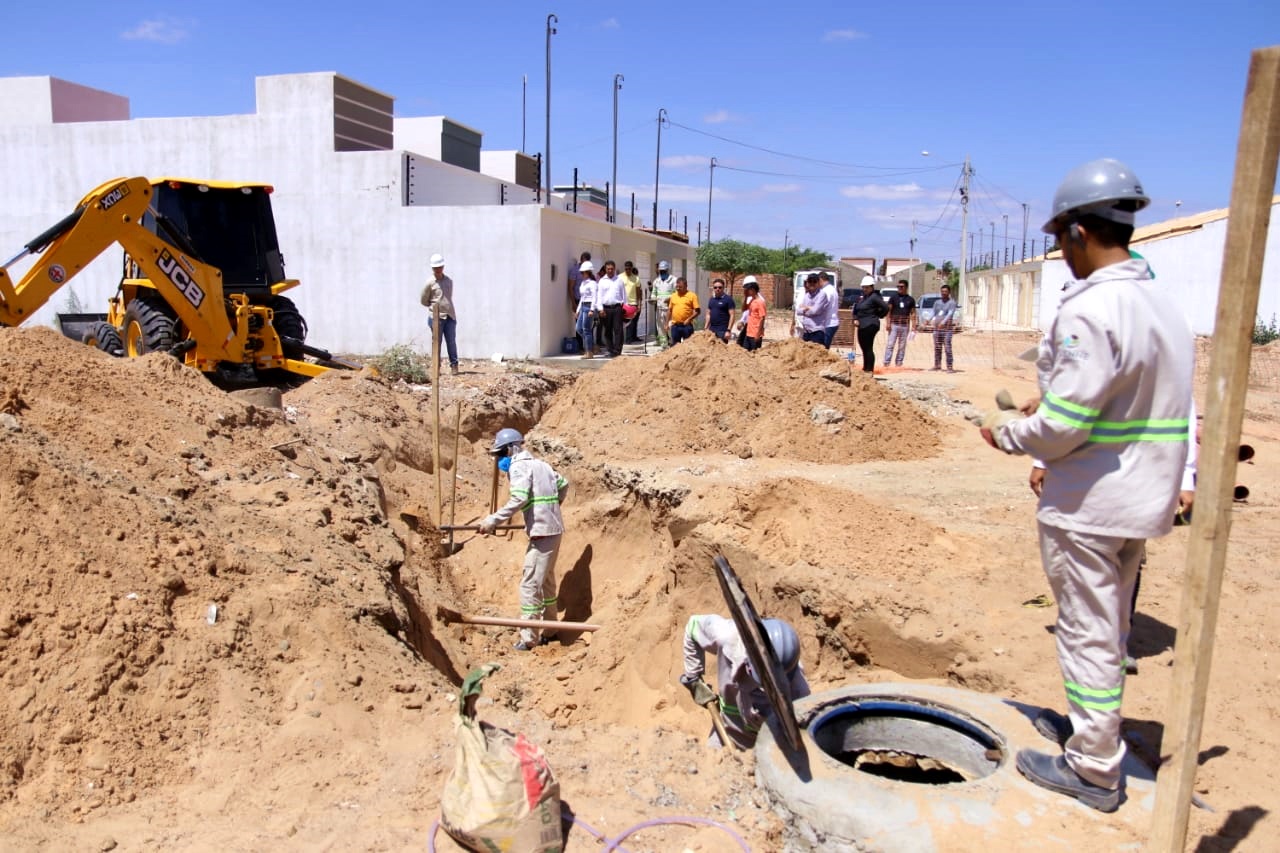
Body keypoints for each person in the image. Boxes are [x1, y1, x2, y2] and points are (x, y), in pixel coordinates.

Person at [978, 158, 1193, 812]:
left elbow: (1065, 424)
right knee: (1112, 626)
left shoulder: (1092, 310)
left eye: (1061, 241)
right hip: (1140, 499)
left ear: (1077, 231)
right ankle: (1098, 734)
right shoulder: (1160, 302)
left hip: (1092, 505)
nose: (1061, 255)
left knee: (1087, 633)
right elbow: (1158, 405)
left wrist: (1007, 435)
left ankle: (1095, 767)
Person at [478, 428, 570, 651]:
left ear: (512, 448)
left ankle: (529, 638)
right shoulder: (542, 465)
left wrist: (493, 520)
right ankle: (550, 630)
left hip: (542, 532)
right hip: (554, 530)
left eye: (501, 454)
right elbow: (563, 484)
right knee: (546, 582)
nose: (500, 460)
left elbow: (518, 498)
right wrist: (552, 508)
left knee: (529, 584)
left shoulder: (519, 466)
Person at [680, 615, 810, 749]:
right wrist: (694, 678)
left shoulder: (799, 693)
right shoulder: (728, 637)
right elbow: (693, 626)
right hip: (726, 733)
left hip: (769, 747)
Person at [420, 253, 459, 375]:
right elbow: (424, 300)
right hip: (436, 318)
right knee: (437, 342)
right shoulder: (430, 283)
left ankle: (454, 366)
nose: (438, 270)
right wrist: (433, 307)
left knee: (451, 342)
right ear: (432, 269)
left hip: (449, 316)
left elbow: (447, 297)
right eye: (435, 268)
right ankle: (436, 368)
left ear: (443, 267)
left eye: (440, 267)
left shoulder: (448, 281)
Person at [851, 275, 888, 374]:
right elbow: (856, 309)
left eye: (866, 287)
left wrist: (879, 315)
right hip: (862, 325)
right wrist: (855, 318)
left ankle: (869, 369)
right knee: (863, 347)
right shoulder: (864, 298)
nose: (864, 289)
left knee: (868, 347)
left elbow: (885, 307)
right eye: (863, 287)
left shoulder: (874, 297)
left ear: (872, 287)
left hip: (870, 325)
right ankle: (865, 368)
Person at [595, 260, 626, 357]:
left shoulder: (619, 280)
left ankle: (617, 351)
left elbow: (624, 296)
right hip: (606, 309)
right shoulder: (601, 281)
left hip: (617, 308)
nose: (610, 271)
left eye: (612, 269)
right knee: (607, 331)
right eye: (608, 269)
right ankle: (611, 350)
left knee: (618, 330)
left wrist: (624, 308)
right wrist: (600, 309)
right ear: (605, 269)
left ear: (614, 269)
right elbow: (599, 296)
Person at [883, 280, 916, 367]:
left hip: (905, 325)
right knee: (890, 344)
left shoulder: (910, 299)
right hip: (894, 324)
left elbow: (913, 313)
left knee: (902, 346)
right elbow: (888, 311)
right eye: (898, 286)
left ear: (906, 287)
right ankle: (886, 362)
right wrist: (888, 323)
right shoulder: (893, 298)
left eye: (902, 286)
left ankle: (899, 363)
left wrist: (914, 326)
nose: (900, 288)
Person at [733, 277, 767, 350]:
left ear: (752, 289)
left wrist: (758, 334)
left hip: (755, 334)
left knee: (754, 354)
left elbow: (762, 318)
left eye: (747, 290)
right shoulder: (752, 300)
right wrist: (745, 297)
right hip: (748, 333)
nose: (746, 292)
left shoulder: (760, 302)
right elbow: (744, 309)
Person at [930, 284, 958, 372]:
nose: (944, 293)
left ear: (949, 292)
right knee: (937, 347)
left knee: (947, 348)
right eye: (942, 291)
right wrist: (928, 319)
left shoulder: (952, 303)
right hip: (937, 329)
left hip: (947, 329)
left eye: (945, 291)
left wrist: (943, 322)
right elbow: (933, 312)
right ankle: (937, 365)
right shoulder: (937, 302)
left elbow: (950, 313)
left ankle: (949, 366)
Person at [574, 261, 597, 359]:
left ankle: (589, 352)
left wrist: (592, 309)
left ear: (588, 272)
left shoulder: (593, 283)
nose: (581, 274)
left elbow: (594, 297)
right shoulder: (583, 283)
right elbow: (582, 297)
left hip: (589, 306)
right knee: (579, 328)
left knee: (586, 329)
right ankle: (592, 345)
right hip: (583, 305)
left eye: (583, 272)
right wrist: (578, 310)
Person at [796, 273, 827, 345]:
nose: (812, 283)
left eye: (814, 281)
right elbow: (798, 311)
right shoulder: (806, 296)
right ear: (807, 283)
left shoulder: (822, 294)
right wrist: (807, 309)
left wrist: (805, 308)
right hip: (806, 331)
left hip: (817, 331)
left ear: (818, 283)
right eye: (810, 281)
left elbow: (815, 311)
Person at [667, 277, 700, 345]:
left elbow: (698, 311)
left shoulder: (692, 296)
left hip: (687, 326)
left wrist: (689, 319)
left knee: (688, 346)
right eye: (677, 286)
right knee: (675, 346)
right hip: (675, 326)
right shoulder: (673, 296)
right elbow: (669, 310)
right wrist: (666, 323)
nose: (678, 288)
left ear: (686, 286)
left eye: (680, 287)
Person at [652, 260, 676, 348]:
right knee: (660, 328)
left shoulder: (673, 280)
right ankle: (664, 345)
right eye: (661, 271)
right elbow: (654, 292)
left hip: (670, 309)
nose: (662, 272)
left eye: (664, 271)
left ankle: (673, 343)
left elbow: (677, 293)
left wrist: (670, 298)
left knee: (670, 326)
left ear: (667, 270)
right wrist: (653, 298)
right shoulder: (656, 281)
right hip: (659, 308)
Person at [706, 278, 736, 342]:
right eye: (715, 287)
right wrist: (706, 327)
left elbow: (732, 315)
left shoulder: (728, 299)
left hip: (722, 331)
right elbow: (708, 314)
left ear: (723, 288)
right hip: (712, 330)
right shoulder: (711, 299)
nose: (717, 289)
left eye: (720, 287)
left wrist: (728, 330)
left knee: (721, 351)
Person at [622, 260, 643, 343]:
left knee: (633, 322)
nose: (628, 271)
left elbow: (639, 293)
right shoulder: (620, 277)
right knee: (626, 323)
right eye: (626, 269)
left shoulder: (636, 279)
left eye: (629, 269)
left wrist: (639, 305)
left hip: (633, 303)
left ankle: (631, 339)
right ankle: (627, 340)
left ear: (631, 268)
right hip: (624, 304)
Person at [819, 272, 841, 348]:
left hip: (828, 323)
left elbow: (823, 307)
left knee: (823, 349)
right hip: (831, 322)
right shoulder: (832, 289)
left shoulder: (826, 291)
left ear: (821, 280)